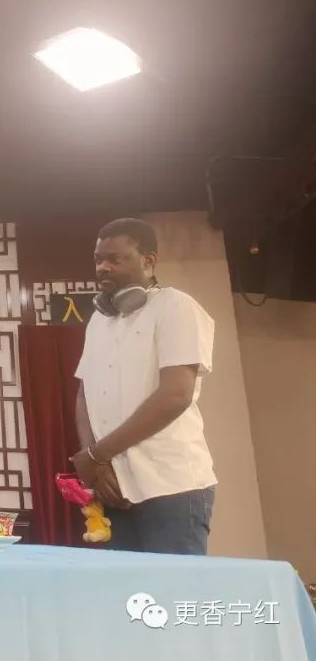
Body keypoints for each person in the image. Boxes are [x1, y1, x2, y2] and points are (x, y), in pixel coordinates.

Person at [72, 217, 216, 555]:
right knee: (126, 589)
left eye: (115, 259)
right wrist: (93, 463)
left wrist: (97, 455)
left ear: (148, 261)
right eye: (98, 260)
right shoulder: (99, 321)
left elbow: (175, 395)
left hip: (171, 486)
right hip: (114, 486)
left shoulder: (177, 307)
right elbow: (84, 394)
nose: (102, 268)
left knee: (172, 586)